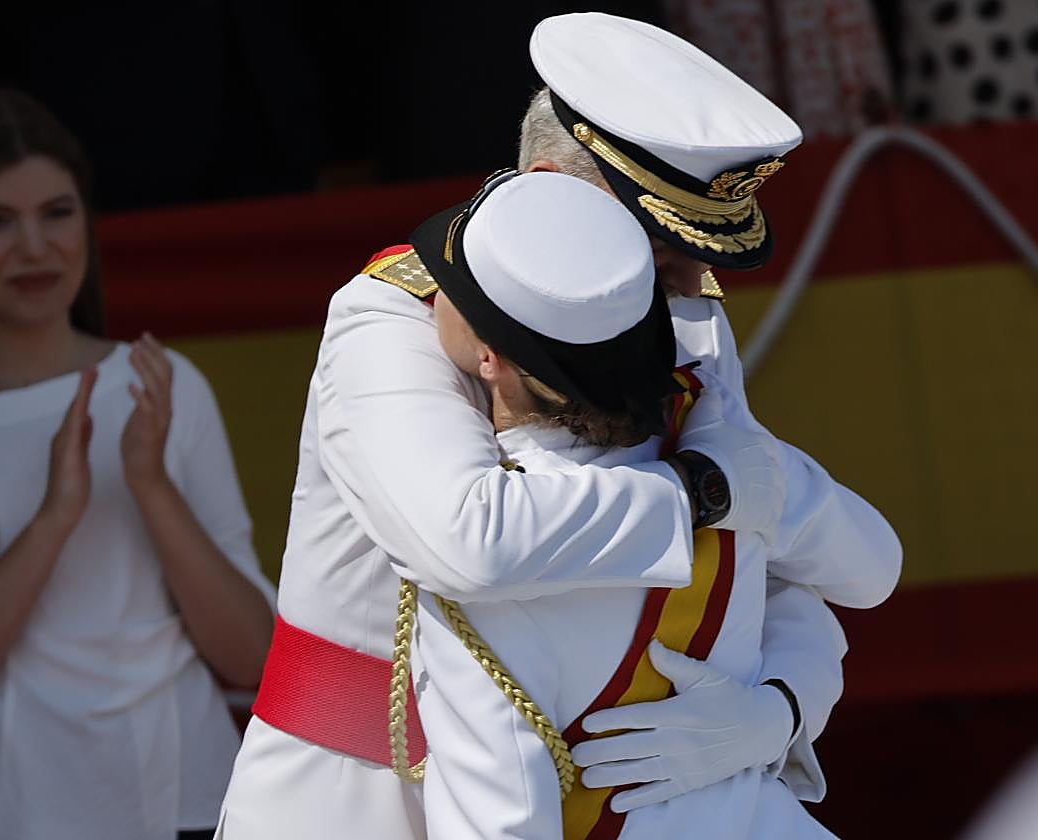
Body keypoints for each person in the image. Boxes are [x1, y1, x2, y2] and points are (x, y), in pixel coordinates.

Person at [214, 16, 899, 840]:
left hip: (615, 802)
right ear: (548, 183)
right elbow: (463, 537)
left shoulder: (680, 315)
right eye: (661, 244)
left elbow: (767, 564)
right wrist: (702, 490)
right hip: (360, 800)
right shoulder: (394, 311)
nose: (691, 281)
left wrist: (781, 707)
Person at [0, 89, 276, 840]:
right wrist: (54, 519)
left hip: (183, 806)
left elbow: (255, 656)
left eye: (57, 213)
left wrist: (148, 486)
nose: (34, 248)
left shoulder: (159, 383)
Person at [407, 169, 895, 839]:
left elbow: (502, 820)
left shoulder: (491, 564)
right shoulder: (726, 453)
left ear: (488, 358)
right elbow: (873, 571)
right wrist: (778, 713)